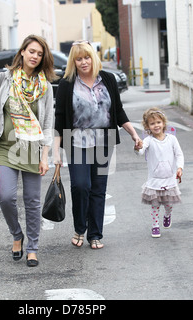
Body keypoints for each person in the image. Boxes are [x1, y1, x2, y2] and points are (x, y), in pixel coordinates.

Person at [54, 40, 142, 249]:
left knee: (98, 188)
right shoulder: (67, 83)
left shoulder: (108, 79)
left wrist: (134, 134)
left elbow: (118, 111)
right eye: (78, 58)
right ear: (73, 62)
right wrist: (55, 150)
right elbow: (59, 118)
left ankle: (95, 234)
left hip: (104, 141)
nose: (83, 62)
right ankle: (79, 227)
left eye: (86, 57)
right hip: (76, 141)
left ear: (93, 58)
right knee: (80, 185)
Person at [0, 34, 56, 266]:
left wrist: (45, 156)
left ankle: (32, 247)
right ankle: (17, 235)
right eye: (31, 51)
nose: (35, 56)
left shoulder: (45, 86)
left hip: (32, 150)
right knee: (6, 197)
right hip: (5, 147)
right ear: (22, 52)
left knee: (32, 201)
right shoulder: (3, 79)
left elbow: (48, 124)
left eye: (40, 54)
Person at [134, 107, 184, 238]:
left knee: (168, 204)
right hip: (154, 180)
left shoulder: (172, 139)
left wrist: (180, 167)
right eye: (152, 123)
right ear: (147, 126)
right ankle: (155, 226)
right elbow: (140, 151)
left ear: (163, 123)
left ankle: (167, 215)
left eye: (158, 122)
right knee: (155, 204)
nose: (156, 126)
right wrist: (137, 147)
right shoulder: (148, 140)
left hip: (169, 179)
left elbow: (179, 155)